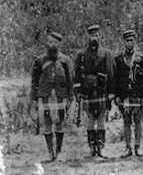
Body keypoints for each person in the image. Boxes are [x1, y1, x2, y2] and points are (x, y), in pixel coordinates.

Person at [30, 31, 74, 163]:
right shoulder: (39, 60)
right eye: (50, 42)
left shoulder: (66, 60)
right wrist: (34, 100)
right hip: (45, 96)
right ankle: (50, 152)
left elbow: (70, 81)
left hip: (60, 96)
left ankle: (59, 152)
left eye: (55, 42)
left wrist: (71, 98)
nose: (53, 45)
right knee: (47, 123)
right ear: (46, 44)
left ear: (59, 44)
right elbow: (34, 82)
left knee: (60, 123)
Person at [73, 24, 115, 159]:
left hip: (102, 90)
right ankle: (92, 148)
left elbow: (111, 73)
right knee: (90, 119)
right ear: (88, 36)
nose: (94, 38)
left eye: (96, 35)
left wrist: (111, 92)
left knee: (102, 118)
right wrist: (78, 93)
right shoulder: (81, 55)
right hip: (88, 91)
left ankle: (101, 147)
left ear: (100, 36)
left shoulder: (106, 53)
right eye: (91, 35)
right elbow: (77, 75)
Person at [113, 29, 143, 158]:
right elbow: (115, 79)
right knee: (126, 121)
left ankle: (138, 147)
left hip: (138, 94)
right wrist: (116, 96)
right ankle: (127, 147)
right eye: (127, 41)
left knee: (138, 121)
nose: (130, 43)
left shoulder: (141, 58)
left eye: (132, 40)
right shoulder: (118, 59)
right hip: (124, 95)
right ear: (124, 42)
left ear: (135, 41)